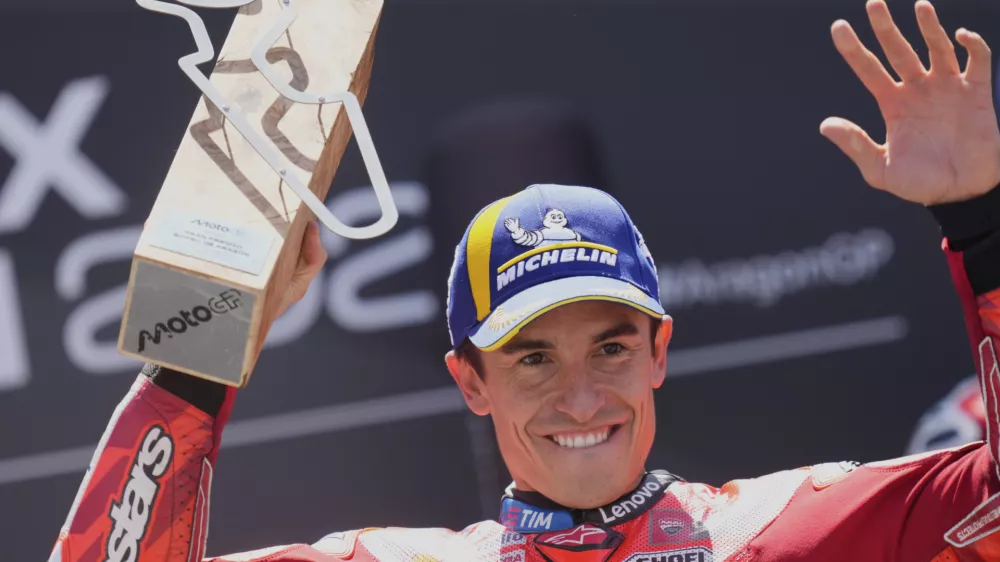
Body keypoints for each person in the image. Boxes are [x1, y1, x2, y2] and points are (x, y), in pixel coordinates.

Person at [47, 1, 1000, 560]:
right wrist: (197, 353)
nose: (580, 395)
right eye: (533, 357)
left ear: (659, 351)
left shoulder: (783, 532)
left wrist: (983, 224)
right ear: (470, 381)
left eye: (610, 347)